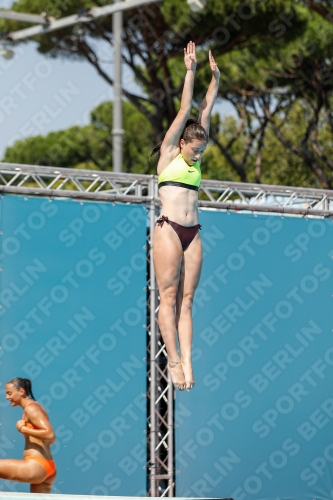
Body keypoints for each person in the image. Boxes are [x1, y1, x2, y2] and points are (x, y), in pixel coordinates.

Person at [152, 41, 220, 391]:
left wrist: (216, 79)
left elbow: (204, 112)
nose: (198, 155)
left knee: (188, 301)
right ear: (181, 145)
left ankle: (189, 362)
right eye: (195, 150)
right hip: (167, 229)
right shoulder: (168, 156)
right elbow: (185, 111)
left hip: (193, 232)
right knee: (169, 296)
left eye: (202, 150)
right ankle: (173, 361)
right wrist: (190, 71)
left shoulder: (196, 155)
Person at [0, 378, 56, 493]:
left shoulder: (31, 408)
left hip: (37, 466)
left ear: (21, 391)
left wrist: (23, 428)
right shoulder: (35, 407)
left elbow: (49, 434)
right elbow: (52, 440)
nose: (7, 397)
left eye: (9, 393)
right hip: (48, 468)